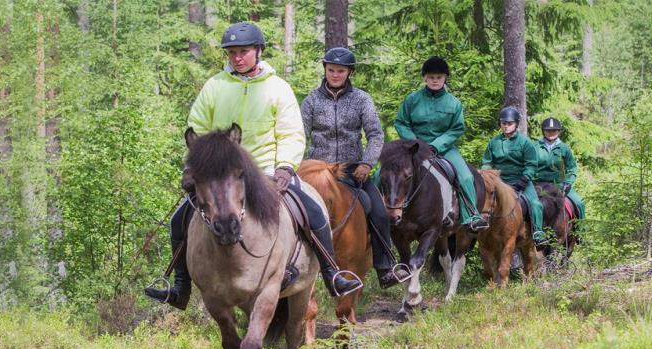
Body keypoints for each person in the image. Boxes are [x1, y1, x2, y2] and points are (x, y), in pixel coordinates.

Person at [145, 22, 361, 310]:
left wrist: (285, 167)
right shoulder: (214, 87)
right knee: (179, 218)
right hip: (222, 177)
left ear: (258, 51)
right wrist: (194, 167)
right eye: (232, 52)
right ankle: (181, 287)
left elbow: (291, 133)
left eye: (243, 51)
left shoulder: (277, 88)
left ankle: (331, 274)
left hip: (268, 171)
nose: (237, 57)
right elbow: (196, 128)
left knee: (310, 206)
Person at [301, 47, 410, 288]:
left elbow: (375, 134)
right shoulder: (311, 100)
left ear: (349, 72)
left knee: (379, 212)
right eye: (331, 70)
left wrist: (367, 163)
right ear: (325, 70)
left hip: (353, 170)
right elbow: (300, 135)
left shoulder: (361, 99)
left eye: (340, 71)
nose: (335, 75)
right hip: (318, 170)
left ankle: (385, 268)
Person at [393, 56, 488, 231]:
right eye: (431, 77)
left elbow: (457, 128)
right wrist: (414, 142)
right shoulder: (412, 99)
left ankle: (471, 216)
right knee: (385, 173)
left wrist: (436, 145)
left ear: (445, 78)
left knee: (466, 176)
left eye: (439, 77)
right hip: (414, 147)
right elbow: (401, 122)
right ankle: (380, 214)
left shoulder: (454, 103)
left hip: (444, 148)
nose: (435, 80)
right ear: (425, 78)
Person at [481, 106, 546, 247]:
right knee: (483, 200)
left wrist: (524, 180)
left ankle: (538, 233)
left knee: (535, 204)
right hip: (499, 181)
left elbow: (531, 165)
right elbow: (487, 162)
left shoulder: (525, 142)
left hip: (521, 180)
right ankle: (476, 228)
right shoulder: (494, 142)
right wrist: (486, 174)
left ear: (516, 124)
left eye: (509, 123)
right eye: (504, 123)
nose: (506, 126)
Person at [535, 117, 586, 221]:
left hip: (559, 184)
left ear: (559, 131)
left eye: (554, 130)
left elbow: (572, 168)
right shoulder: (535, 147)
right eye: (548, 130)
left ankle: (581, 234)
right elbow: (529, 165)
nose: (551, 132)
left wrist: (567, 183)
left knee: (580, 202)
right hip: (538, 184)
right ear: (543, 131)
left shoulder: (564, 148)